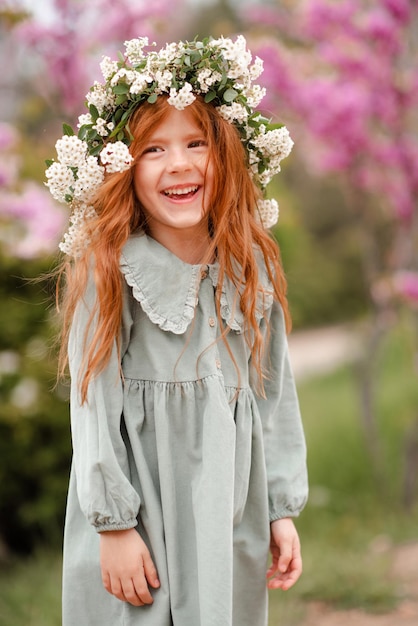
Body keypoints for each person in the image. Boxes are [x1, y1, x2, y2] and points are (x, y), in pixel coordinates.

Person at [47, 35, 308, 626]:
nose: (180, 164)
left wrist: (279, 506)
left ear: (228, 156)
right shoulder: (109, 270)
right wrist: (114, 525)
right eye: (153, 150)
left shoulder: (251, 266)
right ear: (122, 168)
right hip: (143, 520)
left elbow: (272, 394)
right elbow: (93, 406)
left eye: (196, 143)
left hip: (229, 511)